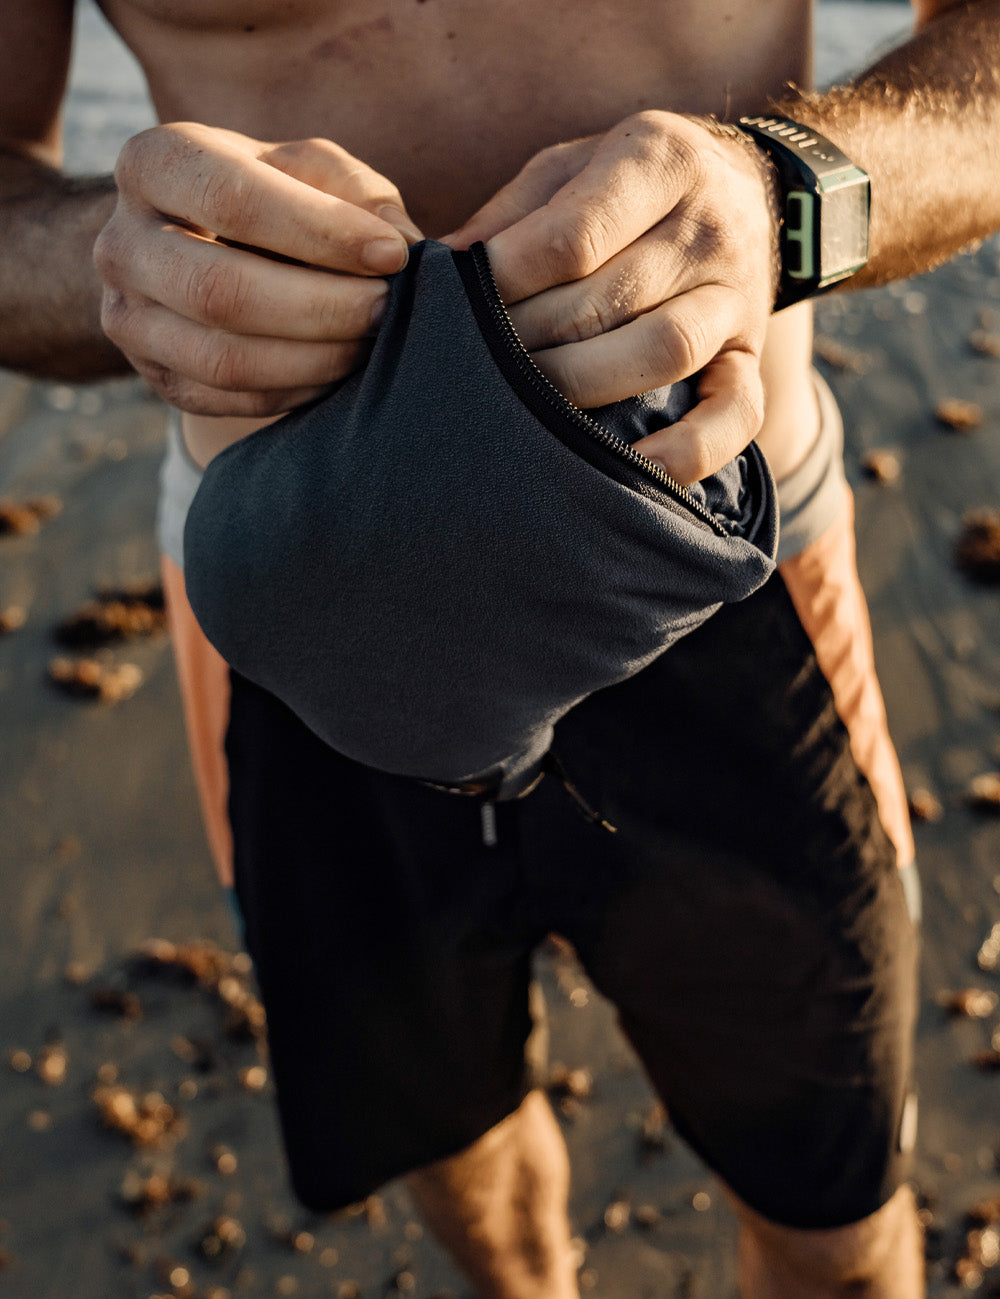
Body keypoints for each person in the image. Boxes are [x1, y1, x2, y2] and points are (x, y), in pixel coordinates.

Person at [2, 0, 998, 1293]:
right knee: (459, 1165)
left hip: (712, 573)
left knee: (841, 1233)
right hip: (307, 617)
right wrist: (115, 259)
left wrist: (782, 195)